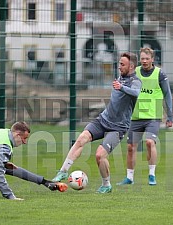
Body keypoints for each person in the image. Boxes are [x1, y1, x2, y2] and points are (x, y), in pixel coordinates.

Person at [52, 52, 142, 194]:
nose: (119, 66)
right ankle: (63, 171)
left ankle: (106, 185)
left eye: (122, 64)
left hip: (118, 128)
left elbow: (137, 93)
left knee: (100, 156)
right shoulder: (120, 77)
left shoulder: (135, 81)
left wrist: (121, 87)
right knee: (81, 139)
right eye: (119, 63)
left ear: (131, 66)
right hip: (103, 120)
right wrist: (120, 85)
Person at [116, 47, 173, 186]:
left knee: (149, 142)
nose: (145, 61)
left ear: (152, 59)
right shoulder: (135, 73)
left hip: (153, 116)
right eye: (142, 59)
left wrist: (170, 116)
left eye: (147, 58)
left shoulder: (160, 74)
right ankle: (129, 178)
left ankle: (152, 175)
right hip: (136, 116)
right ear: (140, 60)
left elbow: (168, 94)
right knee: (130, 147)